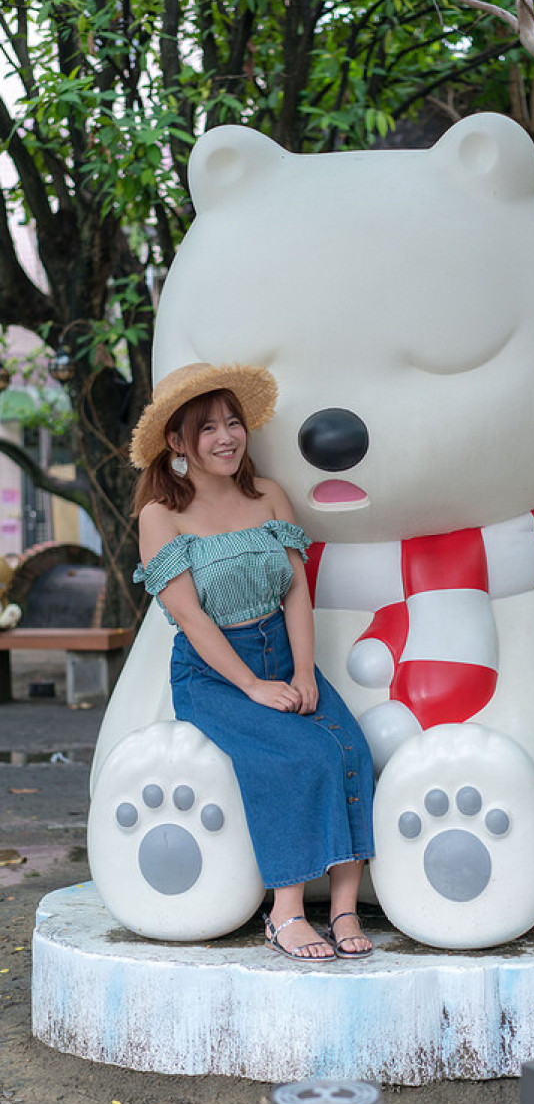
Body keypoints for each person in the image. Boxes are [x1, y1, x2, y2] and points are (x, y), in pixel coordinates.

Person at [129, 362, 374, 961]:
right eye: (207, 428)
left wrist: (300, 670)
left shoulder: (268, 496)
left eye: (233, 423)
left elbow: (296, 590)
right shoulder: (162, 515)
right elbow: (190, 616)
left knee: (351, 748)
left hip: (283, 652)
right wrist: (252, 685)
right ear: (177, 443)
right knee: (297, 754)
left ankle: (345, 907)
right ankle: (284, 913)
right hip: (214, 673)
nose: (226, 437)